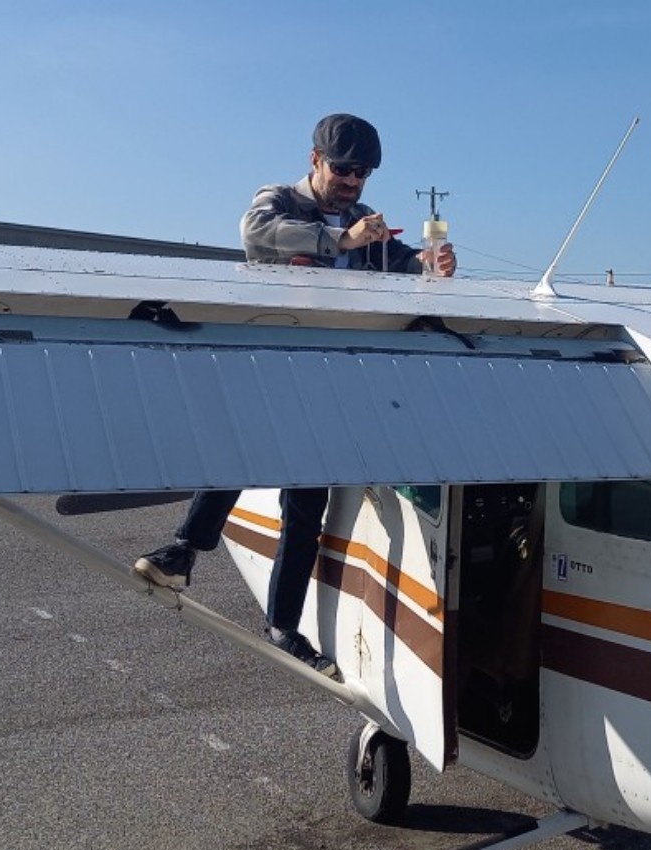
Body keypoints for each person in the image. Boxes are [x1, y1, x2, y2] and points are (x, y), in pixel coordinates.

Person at [133, 113, 455, 682]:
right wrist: (338, 239)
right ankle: (182, 551)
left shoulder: (366, 222)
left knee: (307, 507)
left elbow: (403, 268)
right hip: (269, 364)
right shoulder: (278, 199)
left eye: (363, 172)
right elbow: (256, 234)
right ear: (315, 161)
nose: (353, 181)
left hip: (331, 379)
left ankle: (283, 624)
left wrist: (431, 267)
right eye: (343, 169)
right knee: (238, 450)